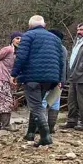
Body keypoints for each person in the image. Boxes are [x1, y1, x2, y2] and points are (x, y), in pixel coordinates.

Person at [10, 15, 65, 146]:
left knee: (36, 106)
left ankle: (45, 136)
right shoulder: (55, 39)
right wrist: (59, 79)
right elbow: (61, 61)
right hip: (50, 78)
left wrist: (14, 74)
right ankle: (30, 133)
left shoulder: (28, 36)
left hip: (32, 77)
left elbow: (21, 57)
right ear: (44, 25)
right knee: (37, 104)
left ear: (29, 26)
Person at [0, 31, 22, 130]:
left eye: (21, 39)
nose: (19, 41)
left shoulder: (20, 52)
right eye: (17, 38)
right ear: (12, 40)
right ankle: (5, 125)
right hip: (0, 78)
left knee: (0, 101)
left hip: (11, 80)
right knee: (6, 100)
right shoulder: (8, 50)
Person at [42, 29, 69, 132]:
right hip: (60, 80)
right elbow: (66, 67)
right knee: (55, 102)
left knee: (44, 101)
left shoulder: (49, 48)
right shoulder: (64, 49)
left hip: (49, 79)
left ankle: (42, 127)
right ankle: (51, 127)